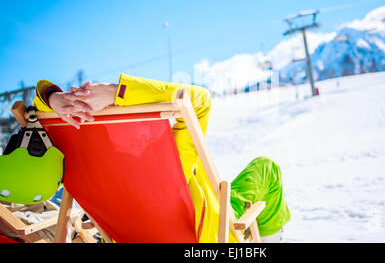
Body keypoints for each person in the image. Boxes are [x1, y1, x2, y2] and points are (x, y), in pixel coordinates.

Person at [33, 74, 291, 242]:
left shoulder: (87, 169)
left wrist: (55, 99)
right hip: (213, 232)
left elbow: (36, 104)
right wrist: (116, 92)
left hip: (130, 233)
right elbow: (199, 101)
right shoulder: (164, 167)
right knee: (267, 168)